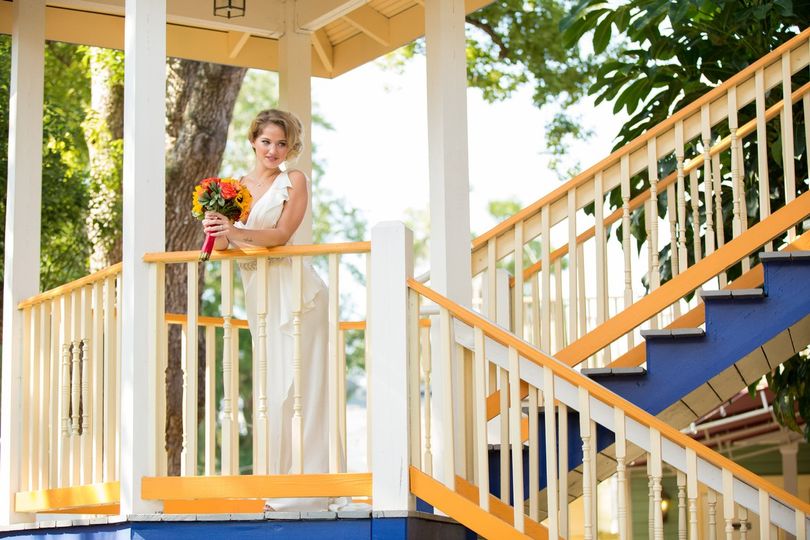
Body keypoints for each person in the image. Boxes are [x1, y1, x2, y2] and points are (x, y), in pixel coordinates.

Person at [202, 109, 342, 511]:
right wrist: (216, 229)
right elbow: (227, 246)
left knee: (303, 385)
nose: (274, 150)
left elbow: (281, 235)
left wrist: (235, 231)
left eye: (282, 143)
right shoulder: (232, 187)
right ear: (253, 140)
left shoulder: (293, 180)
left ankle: (311, 490)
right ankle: (278, 486)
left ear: (290, 147)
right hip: (258, 293)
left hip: (297, 291)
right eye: (267, 141)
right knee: (271, 388)